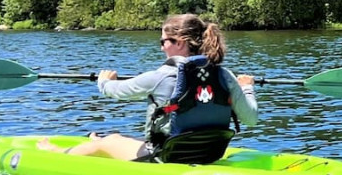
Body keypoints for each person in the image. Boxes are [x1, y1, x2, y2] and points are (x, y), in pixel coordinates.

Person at [37, 14, 258, 162]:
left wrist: (104, 81)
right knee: (117, 140)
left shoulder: (160, 77)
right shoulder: (225, 75)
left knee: (111, 140)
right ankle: (101, 143)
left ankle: (56, 153)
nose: (162, 47)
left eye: (164, 42)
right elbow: (250, 119)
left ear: (179, 42)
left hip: (168, 157)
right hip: (210, 153)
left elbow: (117, 91)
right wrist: (246, 88)